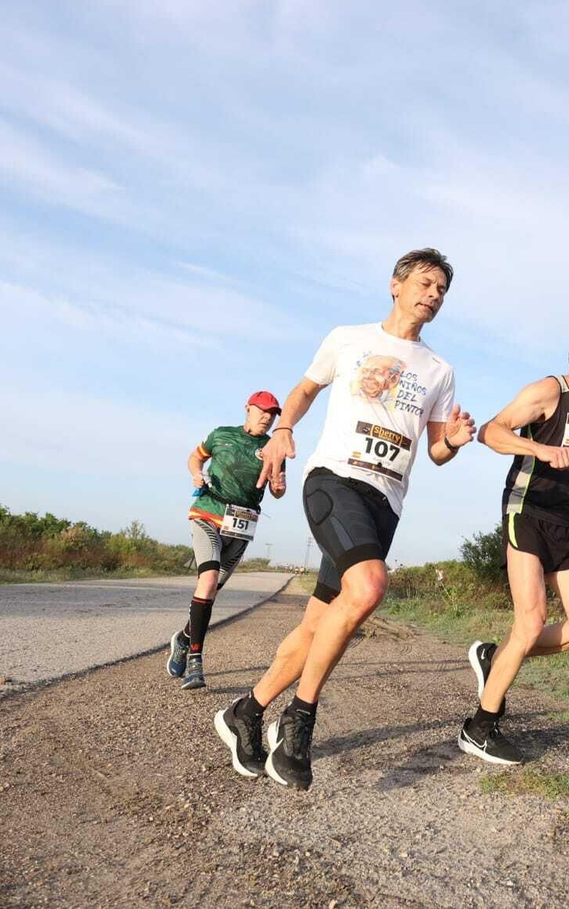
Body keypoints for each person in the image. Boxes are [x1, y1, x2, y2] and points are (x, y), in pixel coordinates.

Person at [213, 248, 477, 788]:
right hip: (334, 481)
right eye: (425, 283)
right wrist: (283, 429)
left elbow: (436, 452)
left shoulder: (440, 371)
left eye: (442, 290)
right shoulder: (349, 338)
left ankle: (248, 709)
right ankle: (300, 720)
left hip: (386, 501)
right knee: (369, 587)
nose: (433, 295)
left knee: (317, 626)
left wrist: (452, 440)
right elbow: (306, 389)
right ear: (396, 285)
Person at [460, 328, 569, 764]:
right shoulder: (549, 391)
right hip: (526, 511)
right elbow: (492, 432)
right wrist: (539, 449)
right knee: (530, 622)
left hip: (567, 522)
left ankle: (496, 656)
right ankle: (479, 728)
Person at [166, 391, 287, 689]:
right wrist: (197, 473)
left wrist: (278, 485)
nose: (267, 417)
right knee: (206, 583)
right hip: (208, 513)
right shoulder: (221, 435)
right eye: (263, 411)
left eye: (273, 414)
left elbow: (277, 490)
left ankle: (183, 639)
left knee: (210, 593)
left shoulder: (274, 448)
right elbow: (195, 457)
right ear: (248, 409)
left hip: (242, 526)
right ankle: (196, 663)